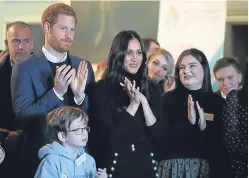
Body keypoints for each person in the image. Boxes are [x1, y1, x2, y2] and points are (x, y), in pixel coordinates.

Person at [11, 3, 94, 177]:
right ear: (47, 27)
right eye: (63, 28)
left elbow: (91, 118)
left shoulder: (82, 65)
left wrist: (80, 97)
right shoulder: (24, 68)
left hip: (78, 163)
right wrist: (56, 93)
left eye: (72, 29)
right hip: (38, 159)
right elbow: (22, 115)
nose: (68, 35)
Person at [88, 30, 162, 178]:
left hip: (147, 168)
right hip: (114, 168)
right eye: (129, 53)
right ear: (118, 54)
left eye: (139, 52)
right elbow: (111, 140)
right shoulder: (100, 89)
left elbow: (158, 137)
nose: (135, 59)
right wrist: (133, 106)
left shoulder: (152, 88)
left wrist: (143, 103)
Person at [146, 48, 229, 178]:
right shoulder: (168, 99)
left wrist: (203, 127)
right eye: (181, 67)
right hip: (172, 169)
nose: (186, 71)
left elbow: (221, 147)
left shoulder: (218, 102)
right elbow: (161, 140)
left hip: (205, 170)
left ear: (204, 68)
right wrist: (189, 124)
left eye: (192, 66)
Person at [34, 106, 107, 178]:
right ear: (62, 136)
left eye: (84, 128)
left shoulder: (89, 161)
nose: (84, 133)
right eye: (78, 129)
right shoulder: (51, 161)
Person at [0, 21, 33, 130]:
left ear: (31, 44)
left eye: (26, 41)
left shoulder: (44, 69)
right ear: (6, 44)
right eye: (15, 41)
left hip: (34, 136)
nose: (21, 47)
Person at [221, 63, 248, 178]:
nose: (225, 83)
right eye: (221, 79)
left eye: (230, 77)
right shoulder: (235, 98)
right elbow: (232, 143)